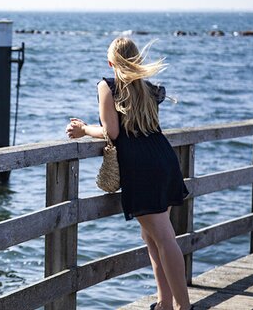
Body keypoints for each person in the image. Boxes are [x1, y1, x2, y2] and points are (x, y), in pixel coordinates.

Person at [66, 37, 192, 310]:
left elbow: (112, 132)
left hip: (141, 167)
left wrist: (84, 129)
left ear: (111, 62)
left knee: (164, 238)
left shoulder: (106, 86)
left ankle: (183, 306)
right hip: (164, 158)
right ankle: (164, 304)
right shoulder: (149, 88)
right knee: (152, 237)